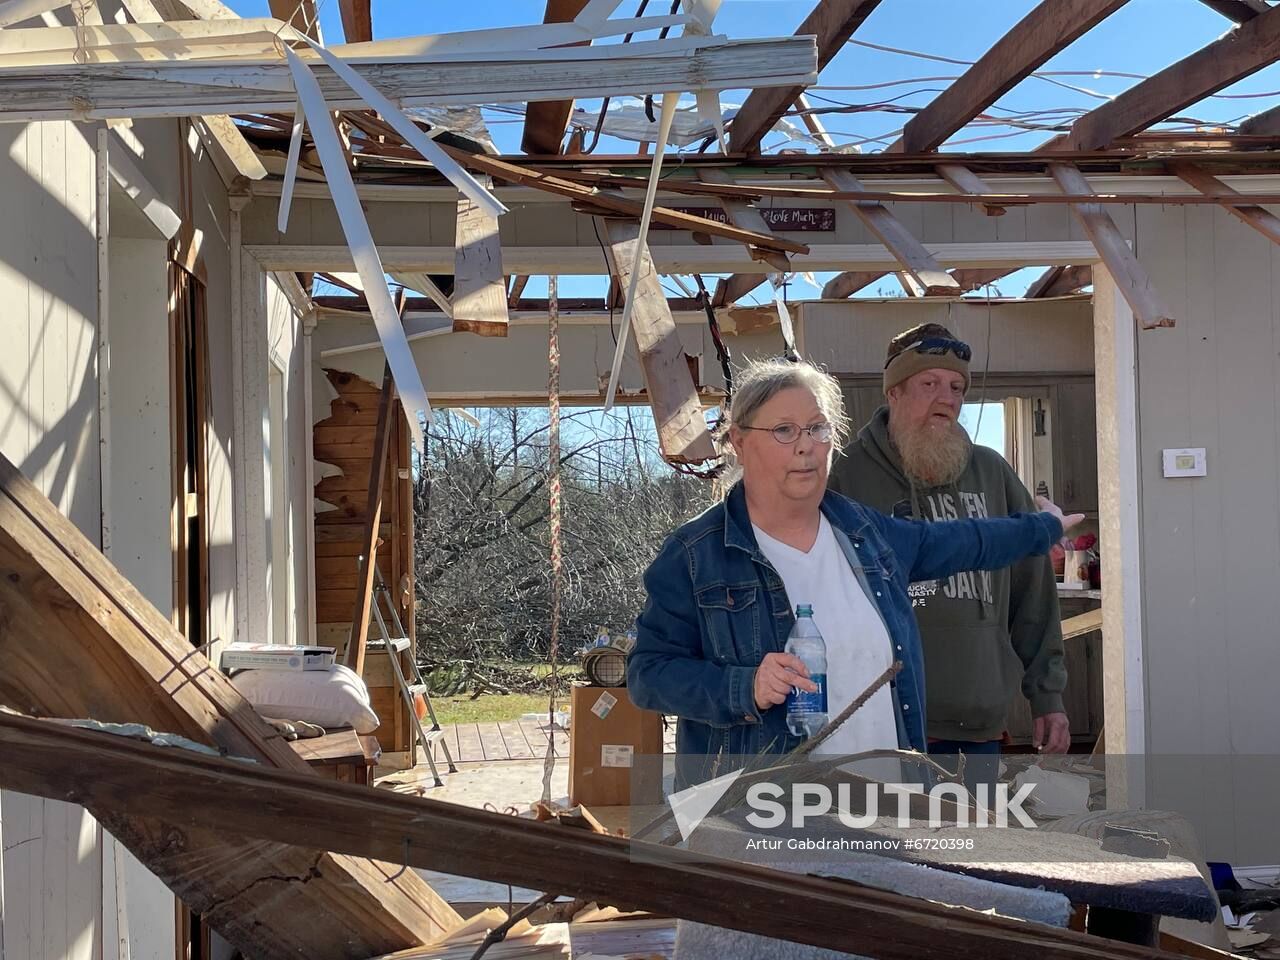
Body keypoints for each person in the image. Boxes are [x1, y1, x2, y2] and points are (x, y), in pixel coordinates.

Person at [627, 358, 1081, 791]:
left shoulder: (868, 535)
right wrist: (745, 686)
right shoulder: (693, 555)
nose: (805, 445)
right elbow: (648, 675)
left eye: (818, 428)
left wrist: (1043, 528)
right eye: (784, 431)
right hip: (753, 812)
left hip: (884, 803)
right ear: (740, 442)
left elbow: (966, 541)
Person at [828, 322, 1071, 791]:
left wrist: (1048, 696)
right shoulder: (847, 479)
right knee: (881, 858)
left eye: (957, 387)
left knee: (969, 857)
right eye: (929, 384)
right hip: (880, 731)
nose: (947, 398)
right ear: (894, 392)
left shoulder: (992, 472)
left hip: (976, 728)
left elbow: (1034, 593)